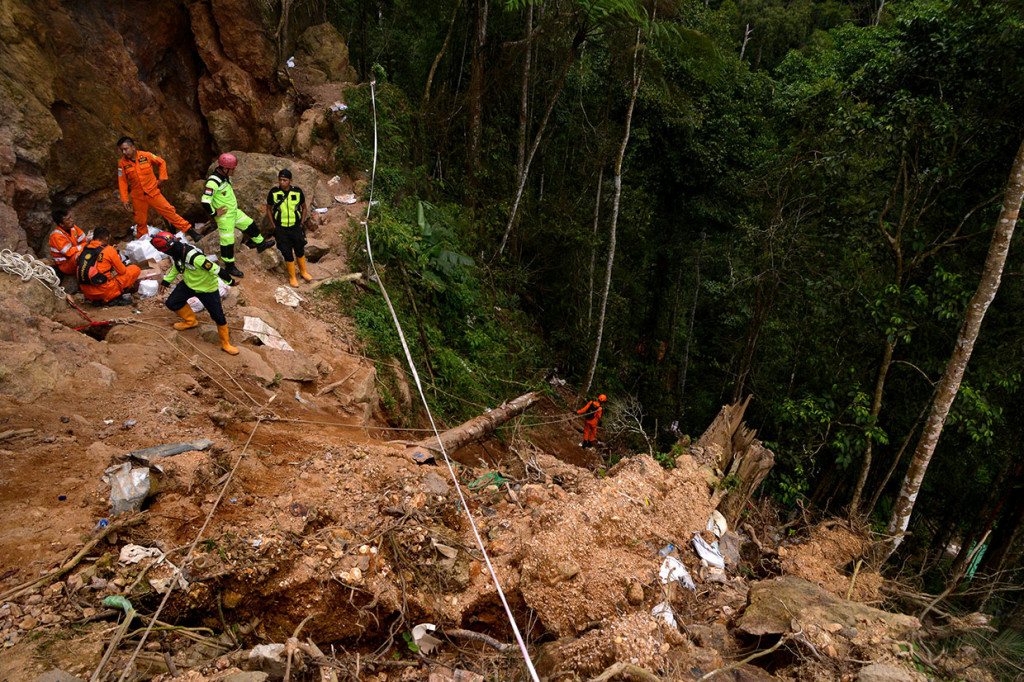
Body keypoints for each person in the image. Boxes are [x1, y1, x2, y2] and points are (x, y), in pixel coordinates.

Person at [151, 231, 240, 355]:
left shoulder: (195, 258)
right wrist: (167, 281)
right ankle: (190, 321)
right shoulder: (177, 252)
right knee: (172, 303)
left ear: (167, 249)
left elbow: (217, 270)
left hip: (207, 289)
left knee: (218, 317)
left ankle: (226, 344)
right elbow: (177, 266)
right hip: (188, 284)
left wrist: (230, 281)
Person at [201, 153, 274, 280]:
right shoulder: (213, 182)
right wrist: (214, 213)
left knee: (250, 224)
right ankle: (229, 266)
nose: (234, 171)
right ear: (225, 168)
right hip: (225, 217)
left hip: (233, 212)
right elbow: (205, 201)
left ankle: (260, 244)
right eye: (232, 169)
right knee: (228, 241)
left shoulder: (224, 177)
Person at [117, 136, 193, 239]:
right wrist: (125, 199)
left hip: (153, 192)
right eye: (122, 150)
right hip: (138, 196)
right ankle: (144, 244)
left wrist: (162, 178)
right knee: (140, 222)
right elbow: (122, 181)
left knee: (169, 212)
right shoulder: (122, 164)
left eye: (125, 149)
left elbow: (162, 162)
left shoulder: (146, 156)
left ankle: (191, 232)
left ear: (133, 147)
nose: (124, 152)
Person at [265, 169, 312, 286]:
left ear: (290, 180)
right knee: (286, 251)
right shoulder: (274, 192)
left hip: (295, 226)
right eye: (280, 180)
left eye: (285, 180)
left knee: (299, 248)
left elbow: (304, 207)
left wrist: (301, 223)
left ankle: (303, 272)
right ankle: (292, 277)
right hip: (281, 227)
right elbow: (268, 209)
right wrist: (274, 225)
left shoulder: (297, 192)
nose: (282, 182)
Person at [76, 227, 141, 306]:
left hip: (87, 292)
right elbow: (122, 271)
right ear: (107, 238)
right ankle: (114, 298)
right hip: (105, 291)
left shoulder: (83, 249)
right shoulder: (108, 250)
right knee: (134, 269)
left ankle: (96, 300)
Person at [48, 209, 88, 276]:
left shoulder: (72, 228)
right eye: (67, 220)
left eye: (70, 217)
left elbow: (84, 239)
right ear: (61, 224)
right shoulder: (56, 236)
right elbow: (68, 253)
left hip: (73, 258)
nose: (71, 220)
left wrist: (91, 239)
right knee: (81, 254)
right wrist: (86, 245)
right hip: (66, 265)